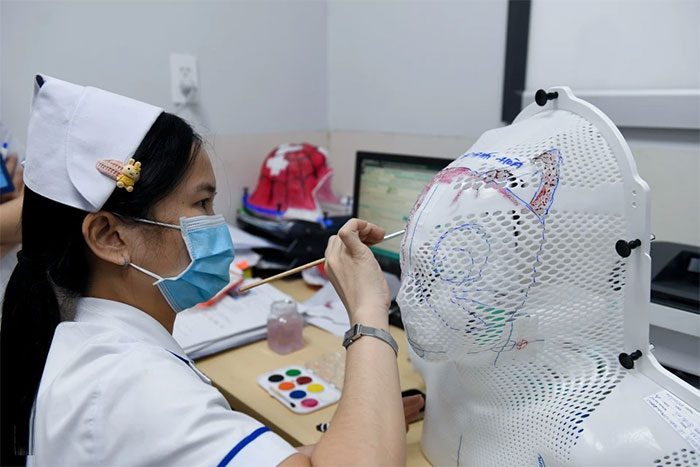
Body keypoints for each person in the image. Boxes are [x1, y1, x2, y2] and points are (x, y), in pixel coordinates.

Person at [0, 75, 422, 466]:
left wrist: (362, 430)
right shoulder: (132, 384)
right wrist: (368, 310)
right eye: (201, 204)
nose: (216, 225)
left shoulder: (87, 336)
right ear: (111, 237)